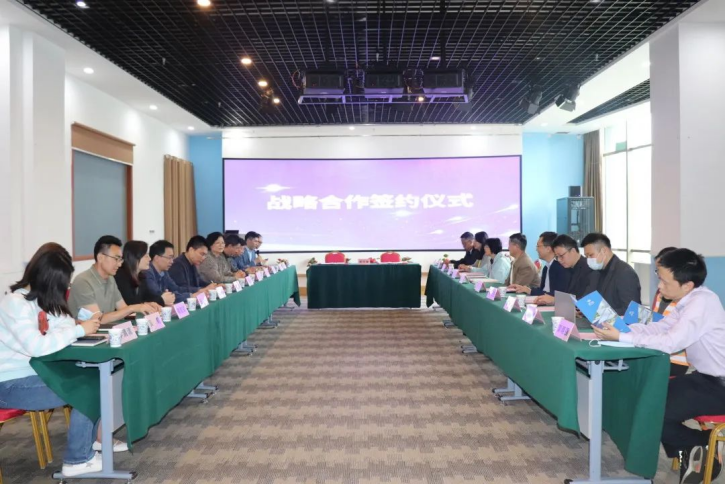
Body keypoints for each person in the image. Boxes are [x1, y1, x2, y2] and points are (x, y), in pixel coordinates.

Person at [593, 249, 725, 484]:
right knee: (645, 399)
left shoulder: (702, 304)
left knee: (652, 411)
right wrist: (622, 328)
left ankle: (701, 444)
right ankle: (690, 450)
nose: (659, 286)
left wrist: (621, 337)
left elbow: (671, 343)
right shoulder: (689, 300)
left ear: (687, 285)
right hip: (704, 379)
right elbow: (660, 327)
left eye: (664, 281)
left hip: (719, 387)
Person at [0, 243, 105, 477]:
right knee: (85, 388)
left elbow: (64, 325)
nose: (66, 288)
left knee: (95, 379)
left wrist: (69, 329)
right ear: (48, 280)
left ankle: (87, 449)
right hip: (9, 384)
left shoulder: (43, 301)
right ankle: (77, 460)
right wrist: (78, 330)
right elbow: (37, 347)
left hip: (37, 374)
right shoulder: (14, 304)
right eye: (63, 283)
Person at [68, 236, 156, 323]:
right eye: (116, 259)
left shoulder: (110, 279)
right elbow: (98, 319)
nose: (119, 264)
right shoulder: (83, 281)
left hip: (107, 329)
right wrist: (133, 308)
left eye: (120, 259)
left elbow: (123, 309)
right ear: (100, 258)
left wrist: (145, 307)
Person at [652, 247, 690, 377]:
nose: (659, 275)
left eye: (661, 270)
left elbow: (678, 334)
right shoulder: (661, 292)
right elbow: (656, 320)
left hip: (676, 359)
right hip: (658, 349)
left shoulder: (686, 297)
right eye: (657, 270)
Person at [581, 233, 641, 315]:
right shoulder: (595, 272)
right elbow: (588, 298)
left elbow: (632, 311)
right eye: (586, 256)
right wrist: (582, 308)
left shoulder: (625, 272)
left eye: (591, 255)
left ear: (604, 251)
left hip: (617, 322)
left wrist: (602, 313)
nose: (588, 259)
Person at [142, 240, 211, 305]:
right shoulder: (147, 273)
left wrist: (193, 294)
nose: (172, 261)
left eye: (172, 258)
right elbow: (159, 295)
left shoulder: (164, 272)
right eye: (169, 258)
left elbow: (176, 289)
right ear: (157, 258)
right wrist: (191, 295)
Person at [535, 234, 599, 305]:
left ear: (573, 251)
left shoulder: (588, 269)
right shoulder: (568, 268)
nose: (559, 260)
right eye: (557, 257)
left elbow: (586, 300)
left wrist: (555, 300)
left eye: (561, 256)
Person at [510, 231, 571, 296]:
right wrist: (527, 289)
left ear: (548, 249)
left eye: (538, 246)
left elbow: (555, 295)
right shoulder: (546, 268)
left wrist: (529, 290)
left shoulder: (560, 267)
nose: (536, 249)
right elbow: (543, 291)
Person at [113, 241, 162, 312]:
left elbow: (148, 297)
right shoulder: (120, 276)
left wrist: (158, 300)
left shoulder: (141, 276)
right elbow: (130, 304)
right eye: (146, 256)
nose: (149, 259)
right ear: (134, 257)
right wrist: (161, 300)